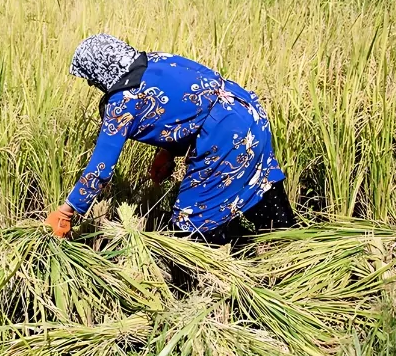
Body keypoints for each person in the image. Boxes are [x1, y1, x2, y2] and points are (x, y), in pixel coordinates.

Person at [44, 34, 295, 245]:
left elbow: (100, 169)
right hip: (248, 114)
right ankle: (290, 248)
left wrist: (66, 213)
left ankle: (230, 268)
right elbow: (188, 106)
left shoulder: (123, 103)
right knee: (260, 189)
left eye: (90, 77)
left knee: (192, 225)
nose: (90, 83)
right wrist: (168, 152)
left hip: (227, 137)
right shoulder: (155, 61)